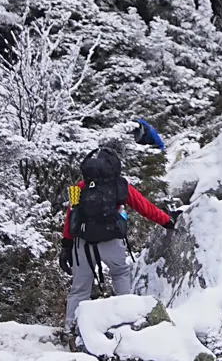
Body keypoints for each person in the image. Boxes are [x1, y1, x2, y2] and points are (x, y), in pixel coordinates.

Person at [60, 141, 176, 342]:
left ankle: (70, 328)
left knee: (80, 288)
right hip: (112, 241)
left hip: (83, 245)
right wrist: (166, 221)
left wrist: (66, 245)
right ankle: (127, 323)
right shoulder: (121, 186)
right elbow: (144, 207)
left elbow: (71, 217)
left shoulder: (78, 188)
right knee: (120, 273)